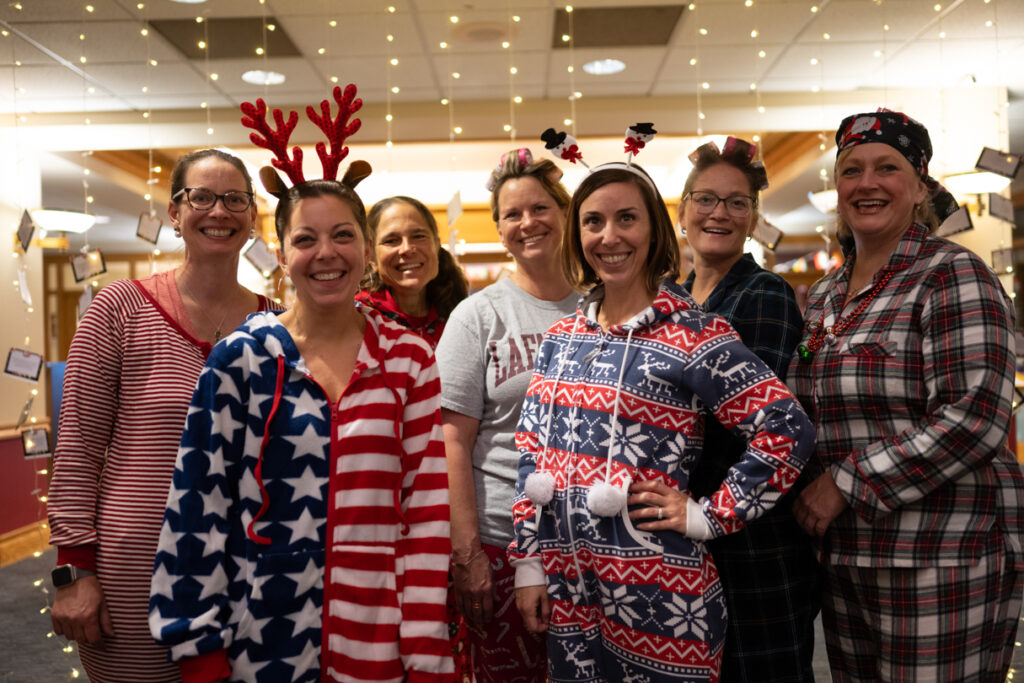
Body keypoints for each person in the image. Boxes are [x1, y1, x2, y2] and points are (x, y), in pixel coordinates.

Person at [510, 161, 816, 682]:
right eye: (593, 222)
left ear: (653, 228)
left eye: (626, 218)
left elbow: (786, 427)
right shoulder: (562, 338)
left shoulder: (693, 333)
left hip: (662, 601)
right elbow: (531, 451)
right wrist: (529, 562)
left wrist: (710, 515)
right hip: (571, 596)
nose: (610, 237)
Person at [149, 174, 454, 681]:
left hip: (379, 641)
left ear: (365, 247)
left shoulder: (409, 360)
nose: (326, 253)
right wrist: (197, 643)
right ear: (283, 254)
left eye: (342, 235)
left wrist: (424, 651)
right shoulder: (241, 359)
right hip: (261, 637)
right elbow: (198, 504)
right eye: (306, 239)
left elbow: (425, 519)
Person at [788, 109, 1024, 682]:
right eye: (851, 170)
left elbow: (974, 417)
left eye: (886, 168)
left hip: (942, 559)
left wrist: (844, 483)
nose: (866, 184)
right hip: (849, 560)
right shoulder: (824, 296)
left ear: (920, 186)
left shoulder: (952, 274)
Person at [45, 148, 281, 682]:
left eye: (234, 199)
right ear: (174, 213)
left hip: (252, 570)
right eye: (200, 197)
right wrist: (72, 570)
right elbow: (78, 446)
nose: (218, 211)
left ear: (251, 218)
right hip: (134, 571)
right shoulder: (119, 309)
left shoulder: (279, 327)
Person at [435, 148, 576, 683]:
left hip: (595, 542)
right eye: (512, 214)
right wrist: (467, 554)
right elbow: (452, 441)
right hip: (501, 544)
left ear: (564, 213)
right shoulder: (477, 315)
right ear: (497, 227)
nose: (527, 223)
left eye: (540, 208)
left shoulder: (601, 304)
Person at [679, 136, 818, 681]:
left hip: (753, 536)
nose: (719, 213)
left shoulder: (764, 293)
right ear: (683, 208)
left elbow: (747, 430)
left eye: (737, 202)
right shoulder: (673, 296)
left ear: (753, 216)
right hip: (689, 530)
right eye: (706, 198)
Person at [357, 195, 469, 348]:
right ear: (371, 254)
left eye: (418, 236)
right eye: (391, 240)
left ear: (436, 245)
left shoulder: (460, 314)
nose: (407, 249)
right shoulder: (358, 318)